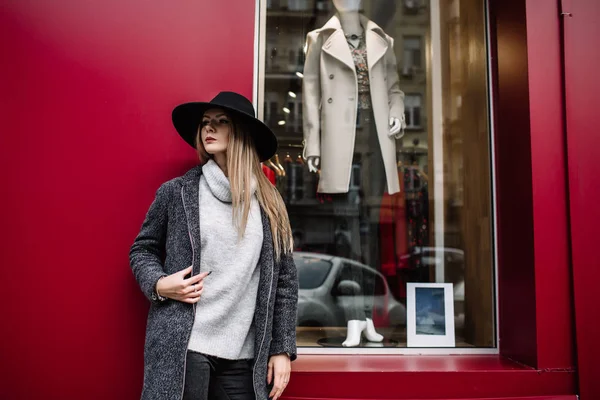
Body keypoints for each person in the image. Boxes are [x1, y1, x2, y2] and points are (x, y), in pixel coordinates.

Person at [130, 91, 299, 400]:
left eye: (221, 122)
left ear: (241, 134)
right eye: (206, 123)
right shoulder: (178, 193)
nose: (209, 128)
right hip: (187, 347)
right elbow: (143, 249)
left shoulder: (270, 204)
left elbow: (285, 282)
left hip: (244, 356)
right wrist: (158, 284)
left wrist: (282, 348)